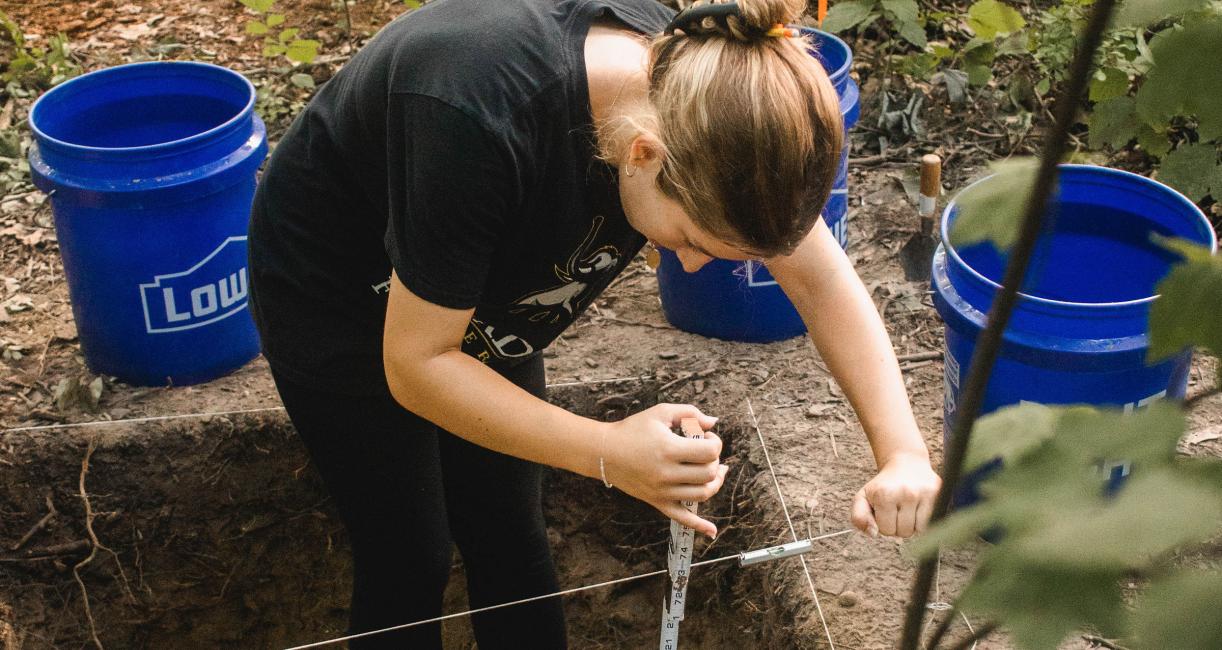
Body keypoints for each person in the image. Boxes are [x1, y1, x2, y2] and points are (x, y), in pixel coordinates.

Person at [248, 0, 941, 647]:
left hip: (484, 290)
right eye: (691, 238)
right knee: (408, 550)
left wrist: (903, 453)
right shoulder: (479, 114)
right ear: (642, 153)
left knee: (508, 527)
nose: (690, 263)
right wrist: (608, 450)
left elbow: (821, 282)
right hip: (337, 291)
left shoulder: (706, 105)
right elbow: (419, 364)